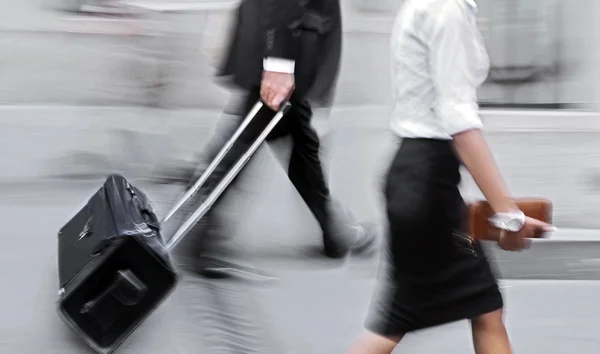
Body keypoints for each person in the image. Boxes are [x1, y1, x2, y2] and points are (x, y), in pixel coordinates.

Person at [347, 0, 554, 353]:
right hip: (427, 183)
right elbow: (459, 120)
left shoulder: (430, 6)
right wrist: (507, 215)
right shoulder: (447, 9)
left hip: (420, 176)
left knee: (483, 308)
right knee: (407, 319)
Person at [164, 0, 377, 272]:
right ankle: (197, 223)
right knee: (253, 133)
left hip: (286, 40)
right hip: (286, 42)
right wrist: (278, 61)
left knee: (299, 139)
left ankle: (332, 228)